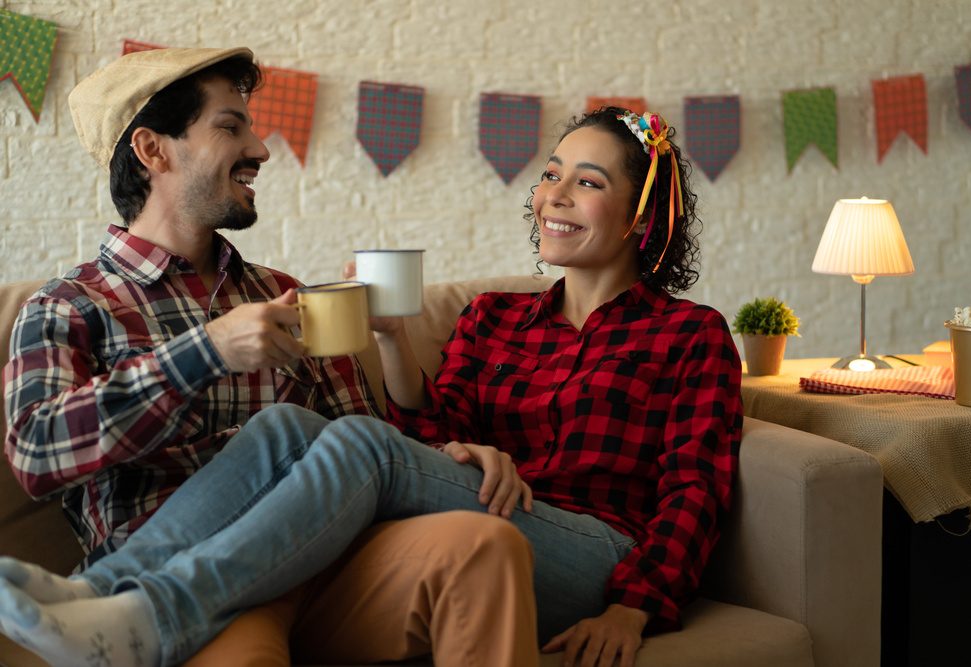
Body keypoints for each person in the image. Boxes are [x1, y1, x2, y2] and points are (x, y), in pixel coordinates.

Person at [1, 83, 742, 667]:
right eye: (551, 175)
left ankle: (153, 611)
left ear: (642, 215)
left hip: (595, 549)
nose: (554, 193)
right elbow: (431, 442)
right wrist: (434, 408)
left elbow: (694, 488)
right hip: (450, 516)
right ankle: (98, 592)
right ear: (152, 150)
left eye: (587, 182)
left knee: (357, 442)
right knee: (286, 427)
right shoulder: (494, 316)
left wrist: (634, 606)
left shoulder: (689, 333)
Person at [0, 46, 538, 667]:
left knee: (481, 543)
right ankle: (139, 611)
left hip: (325, 563)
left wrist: (443, 456)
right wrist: (205, 353)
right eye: (231, 127)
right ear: (153, 150)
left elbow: (364, 446)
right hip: (175, 578)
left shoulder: (284, 294)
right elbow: (36, 453)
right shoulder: (69, 305)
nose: (260, 148)